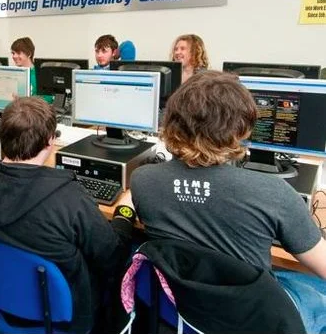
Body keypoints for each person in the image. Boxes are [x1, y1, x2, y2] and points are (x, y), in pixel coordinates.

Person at [130, 71, 326, 334]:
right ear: (241, 129)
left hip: (186, 309)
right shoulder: (274, 193)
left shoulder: (142, 180)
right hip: (254, 320)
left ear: (172, 122)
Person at [0, 96, 135, 333]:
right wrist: (124, 213)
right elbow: (112, 256)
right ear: (50, 141)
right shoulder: (68, 197)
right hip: (63, 312)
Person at [10, 37, 53, 104]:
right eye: (13, 53)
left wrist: (27, 101)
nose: (14, 56)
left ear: (29, 54)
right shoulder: (14, 74)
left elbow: (49, 99)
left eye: (18, 53)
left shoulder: (41, 74)